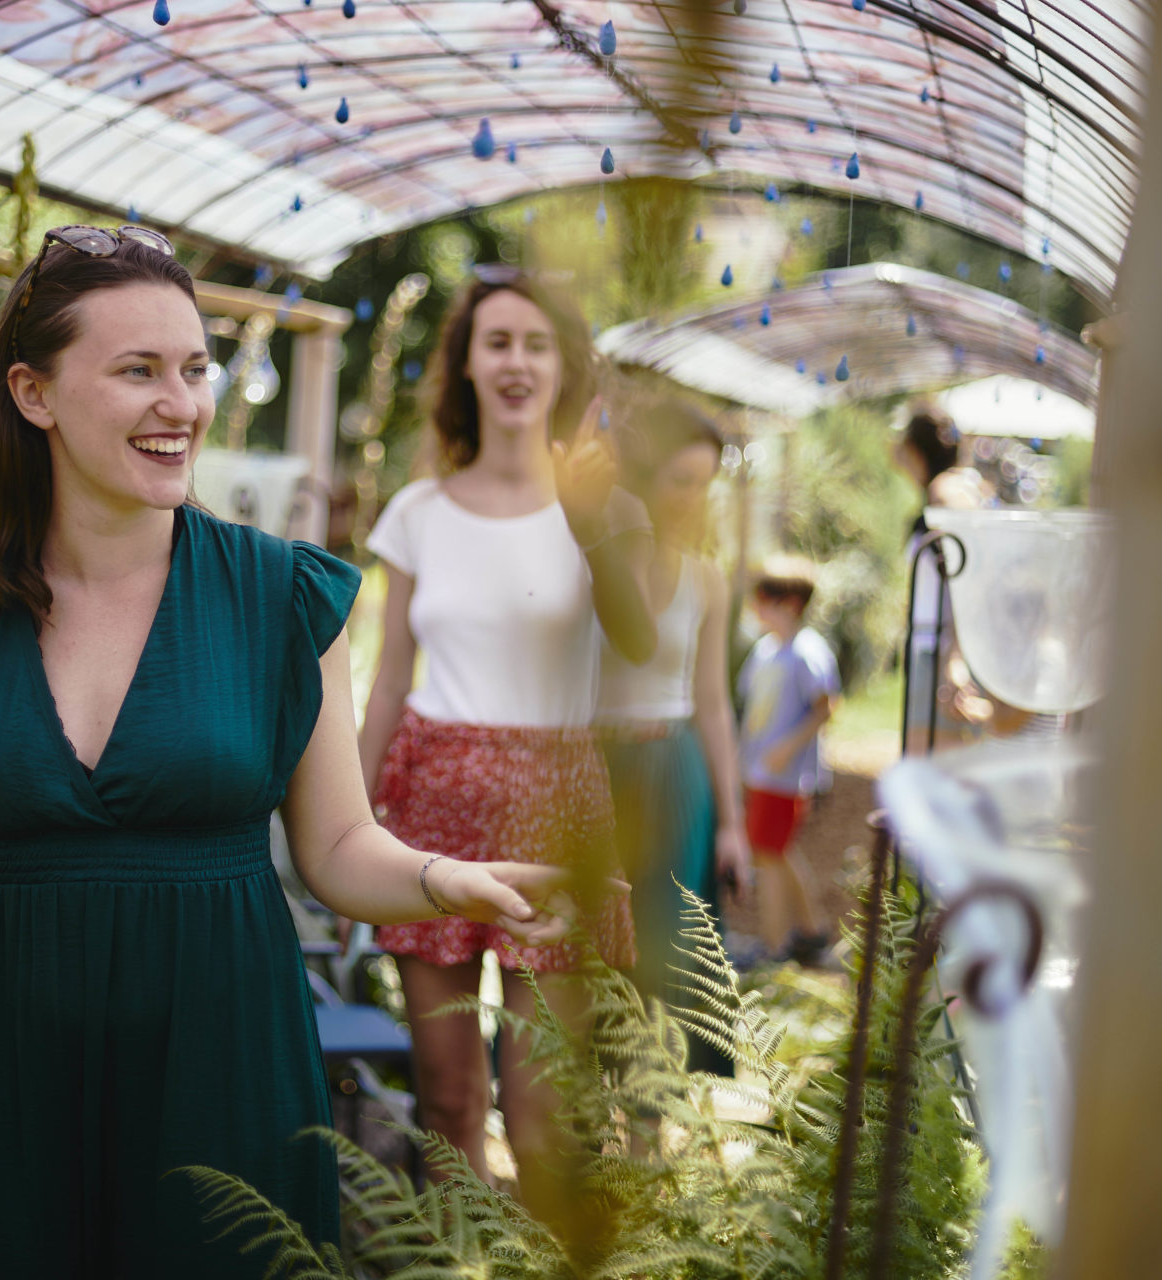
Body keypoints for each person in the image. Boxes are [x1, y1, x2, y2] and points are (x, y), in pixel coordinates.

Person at [0, 227, 580, 1279]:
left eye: (194, 367)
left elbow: (339, 843)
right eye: (138, 371)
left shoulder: (282, 596)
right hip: (14, 1088)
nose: (183, 404)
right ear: (35, 394)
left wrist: (454, 880)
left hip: (226, 1080)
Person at [358, 270, 654, 1230]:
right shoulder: (417, 512)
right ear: (467, 365)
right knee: (447, 1104)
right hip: (431, 806)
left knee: (542, 1117)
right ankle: (453, 1255)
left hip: (560, 809)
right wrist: (351, 824)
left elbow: (642, 646)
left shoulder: (607, 508)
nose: (517, 361)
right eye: (497, 342)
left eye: (537, 343)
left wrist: (592, 524)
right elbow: (389, 677)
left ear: (565, 366)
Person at [596, 395, 752, 1051]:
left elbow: (712, 703)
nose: (692, 496)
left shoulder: (707, 579)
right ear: (646, 473)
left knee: (666, 952)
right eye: (679, 479)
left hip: (674, 771)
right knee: (590, 951)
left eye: (705, 484)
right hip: (595, 769)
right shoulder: (596, 554)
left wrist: (734, 823)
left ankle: (646, 1133)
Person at [893, 405, 1024, 752]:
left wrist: (954, 653)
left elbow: (973, 562)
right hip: (946, 644)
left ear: (914, 449)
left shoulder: (945, 489)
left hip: (941, 647)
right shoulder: (970, 485)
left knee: (930, 768)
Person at [737, 555, 840, 965]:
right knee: (777, 852)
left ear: (791, 603)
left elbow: (826, 706)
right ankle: (812, 933)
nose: (756, 606)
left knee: (768, 855)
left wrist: (787, 747)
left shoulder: (806, 652)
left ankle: (774, 947)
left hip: (785, 777)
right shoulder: (765, 650)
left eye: (764, 597)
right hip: (760, 773)